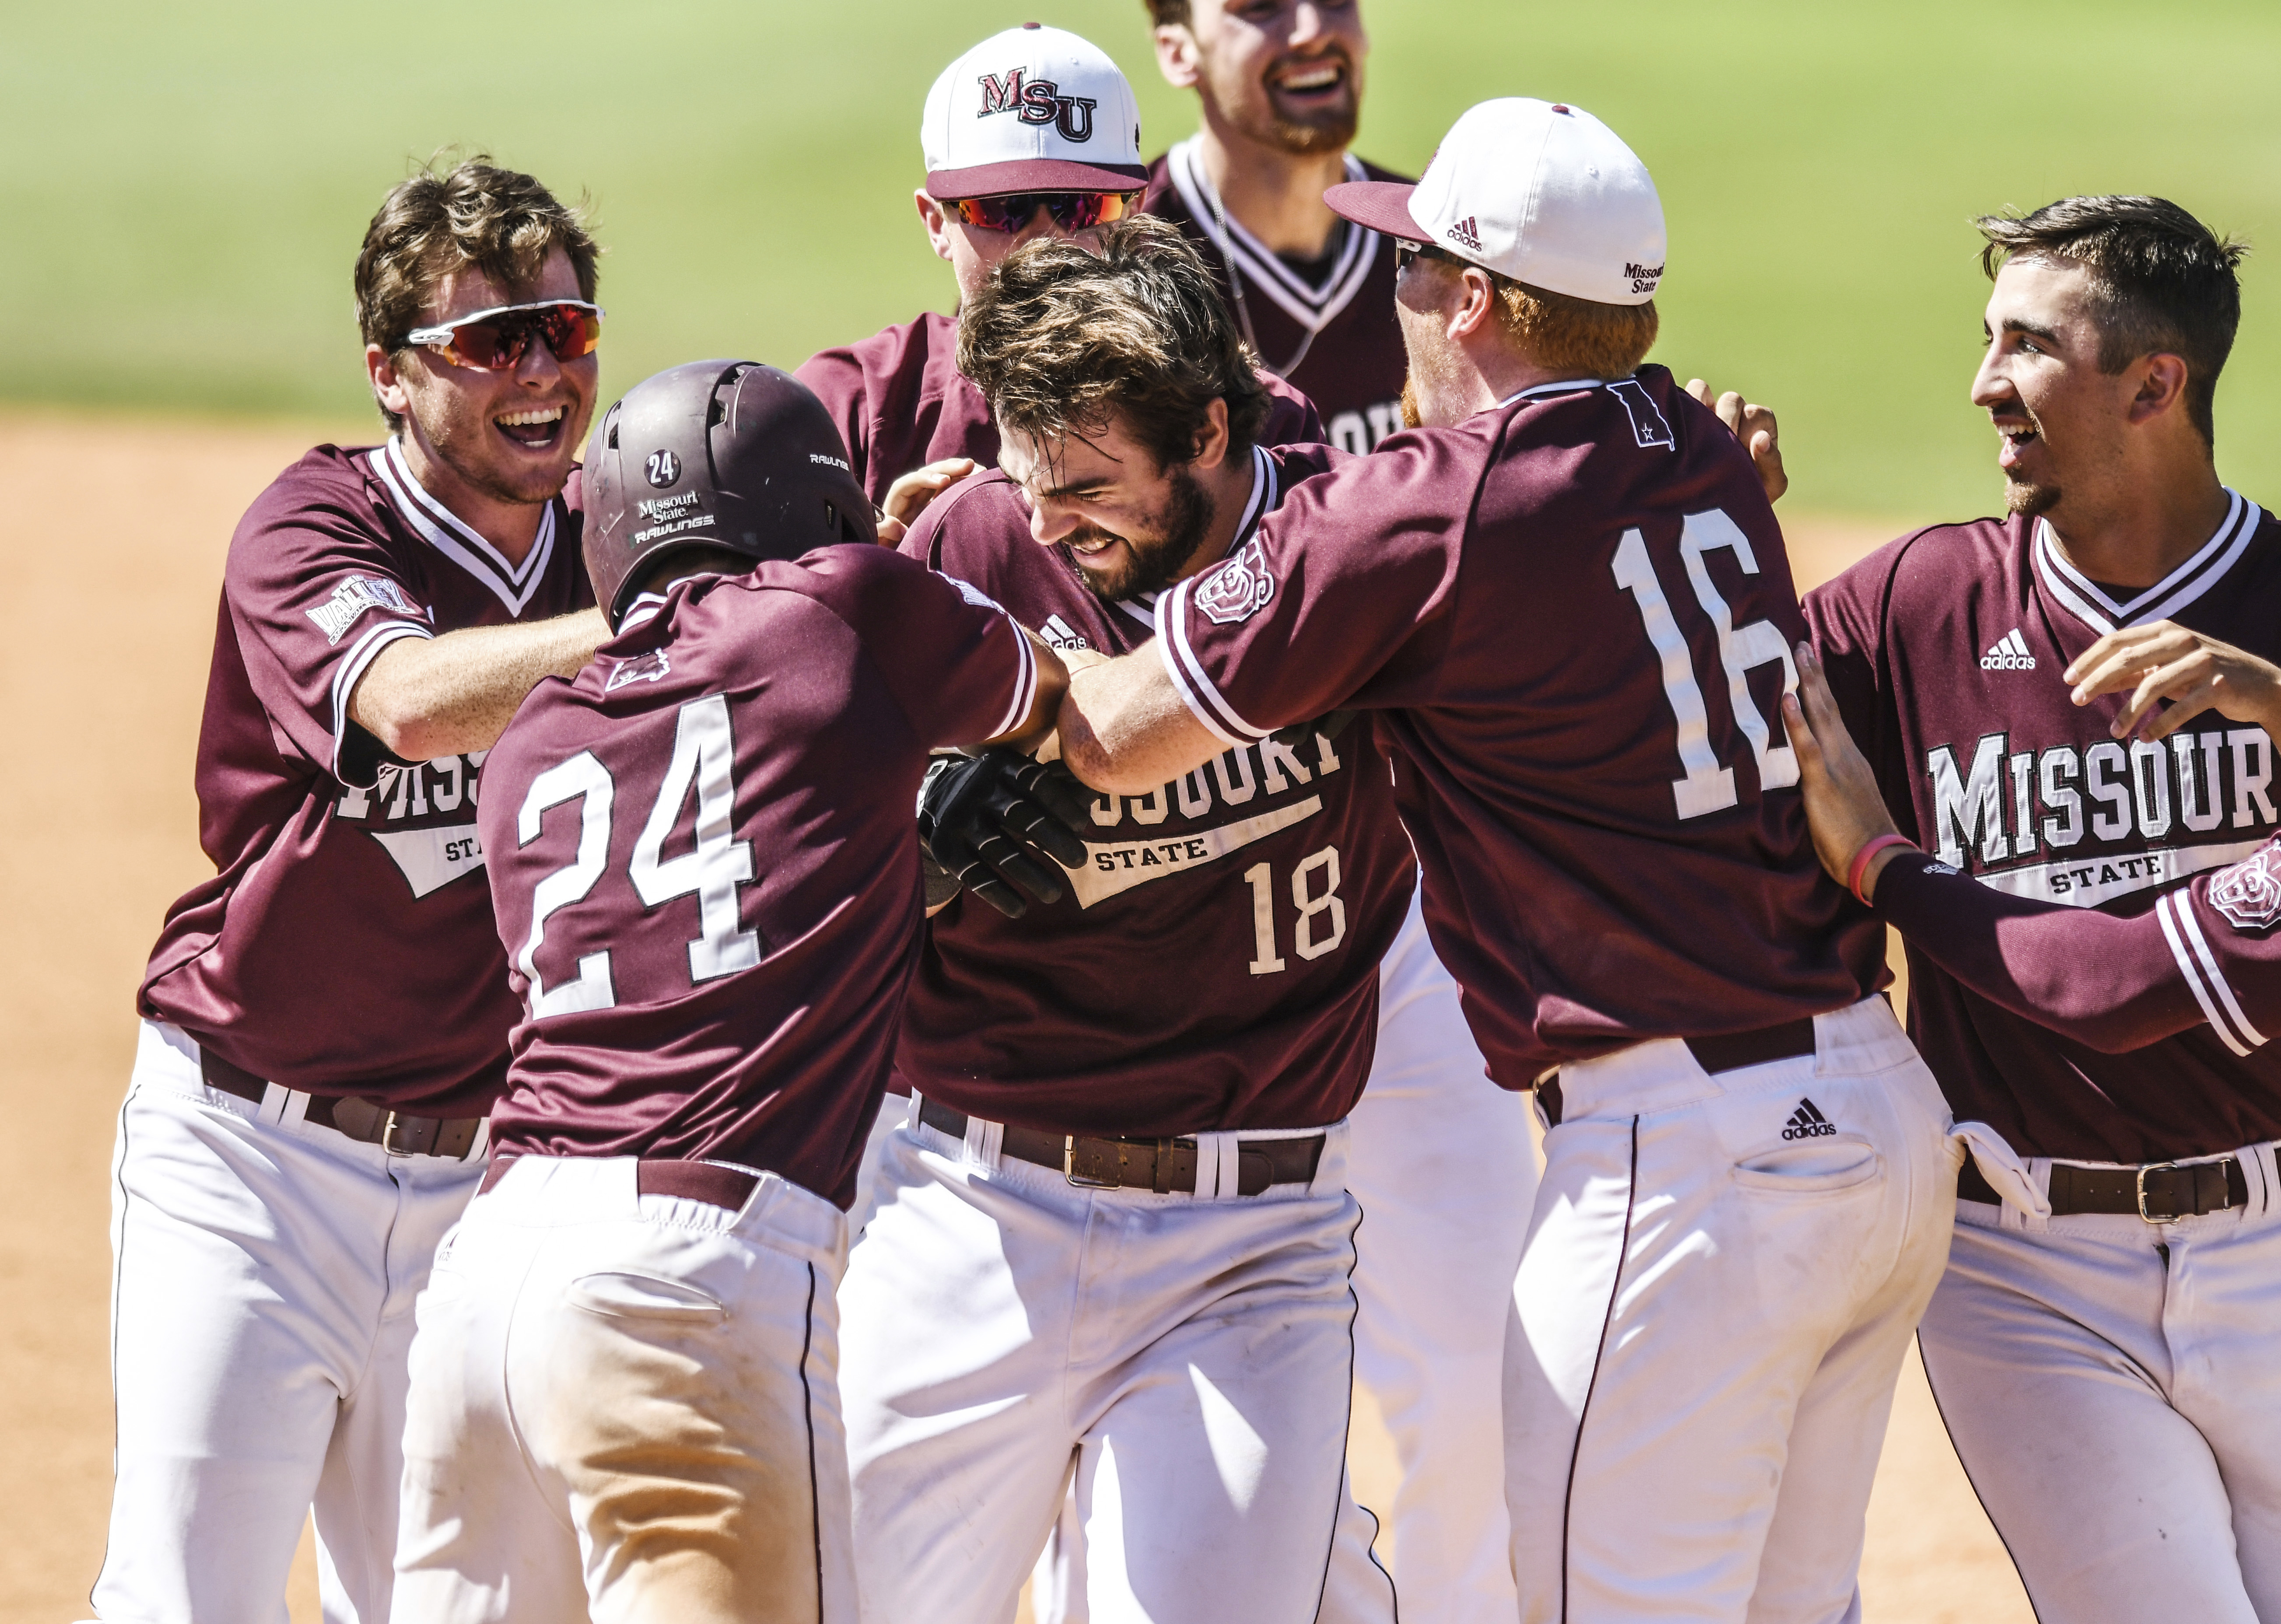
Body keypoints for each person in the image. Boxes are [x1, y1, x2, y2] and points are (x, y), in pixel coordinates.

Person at [1048, 98, 1958, 1623]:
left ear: (1469, 300)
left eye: (1409, 267)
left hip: (1681, 1172)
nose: (1386, 294)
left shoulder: (1426, 512)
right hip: (1871, 1122)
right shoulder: (1706, 452)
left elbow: (1118, 733)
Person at [390, 360, 1065, 1620]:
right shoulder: (849, 607)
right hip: (687, 1281)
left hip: (482, 1287)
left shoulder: (533, 738)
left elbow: (714, 917)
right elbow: (1050, 701)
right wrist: (891, 573)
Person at [837, 216, 1401, 1624]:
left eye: (1088, 484)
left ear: (1207, 428)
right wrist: (911, 834)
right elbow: (804, 856)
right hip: (974, 1201)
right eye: (1030, 476)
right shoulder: (970, 541)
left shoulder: (1352, 553)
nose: (1046, 523)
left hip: (1251, 1235)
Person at [98, 158, 610, 1622]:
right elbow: (415, 703)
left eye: (564, 332)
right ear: (388, 374)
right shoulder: (316, 528)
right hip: (254, 1163)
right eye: (488, 343)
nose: (538, 373)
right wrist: (646, 622)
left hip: (489, 1191)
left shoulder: (616, 533)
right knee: (189, 1596)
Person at [1799, 196, 2281, 1623]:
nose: (1981, 381)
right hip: (2026, 1269)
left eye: (2026, 344)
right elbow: (1693, 704)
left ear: (2152, 383)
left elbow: (2110, 990)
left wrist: (1884, 866)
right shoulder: (1916, 603)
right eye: (1985, 338)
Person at [795, 22, 1320, 533]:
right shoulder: (849, 411)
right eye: (1002, 209)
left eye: (1082, 206)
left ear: (1132, 215)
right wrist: (874, 576)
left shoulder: (1253, 419)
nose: (1045, 241)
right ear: (937, 222)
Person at [1140, 0, 1405, 455]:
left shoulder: (1441, 239)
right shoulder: (1117, 268)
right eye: (1260, 8)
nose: (1312, 31)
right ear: (1178, 53)